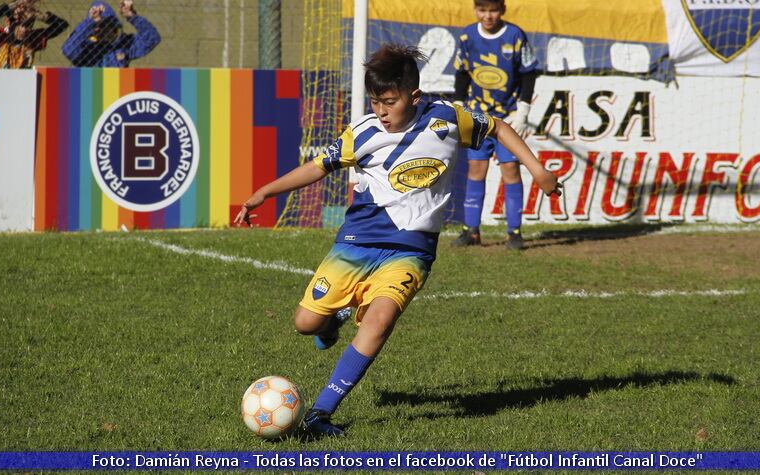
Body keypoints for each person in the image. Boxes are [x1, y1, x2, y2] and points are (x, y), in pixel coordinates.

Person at [234, 44, 560, 437]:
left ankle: (320, 413)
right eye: (375, 102)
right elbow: (317, 167)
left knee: (381, 319)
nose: (381, 111)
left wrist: (538, 170)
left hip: (412, 250)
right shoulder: (362, 133)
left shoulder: (447, 119)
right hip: (356, 243)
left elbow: (500, 127)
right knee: (305, 322)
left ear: (415, 96)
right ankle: (332, 322)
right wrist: (265, 193)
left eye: (389, 102)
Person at [450, 0, 539, 250]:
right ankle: (471, 231)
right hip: (479, 118)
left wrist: (523, 110)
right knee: (476, 169)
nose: (487, 16)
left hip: (508, 119)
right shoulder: (468, 36)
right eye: (482, 10)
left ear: (502, 10)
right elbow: (462, 72)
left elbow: (529, 73)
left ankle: (515, 233)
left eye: (493, 10)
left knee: (510, 170)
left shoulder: (515, 35)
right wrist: (458, 103)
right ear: (476, 10)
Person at [62, 0, 159, 67]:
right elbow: (69, 51)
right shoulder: (84, 43)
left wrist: (131, 16)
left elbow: (152, 38)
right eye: (95, 26)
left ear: (112, 25)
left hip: (117, 90)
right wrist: (90, 22)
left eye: (102, 25)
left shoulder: (123, 44)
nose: (97, 29)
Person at [0, 0, 68, 69]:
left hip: (21, 82)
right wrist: (15, 4)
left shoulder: (33, 37)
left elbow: (62, 25)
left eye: (27, 9)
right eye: (20, 8)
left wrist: (42, 17)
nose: (23, 10)